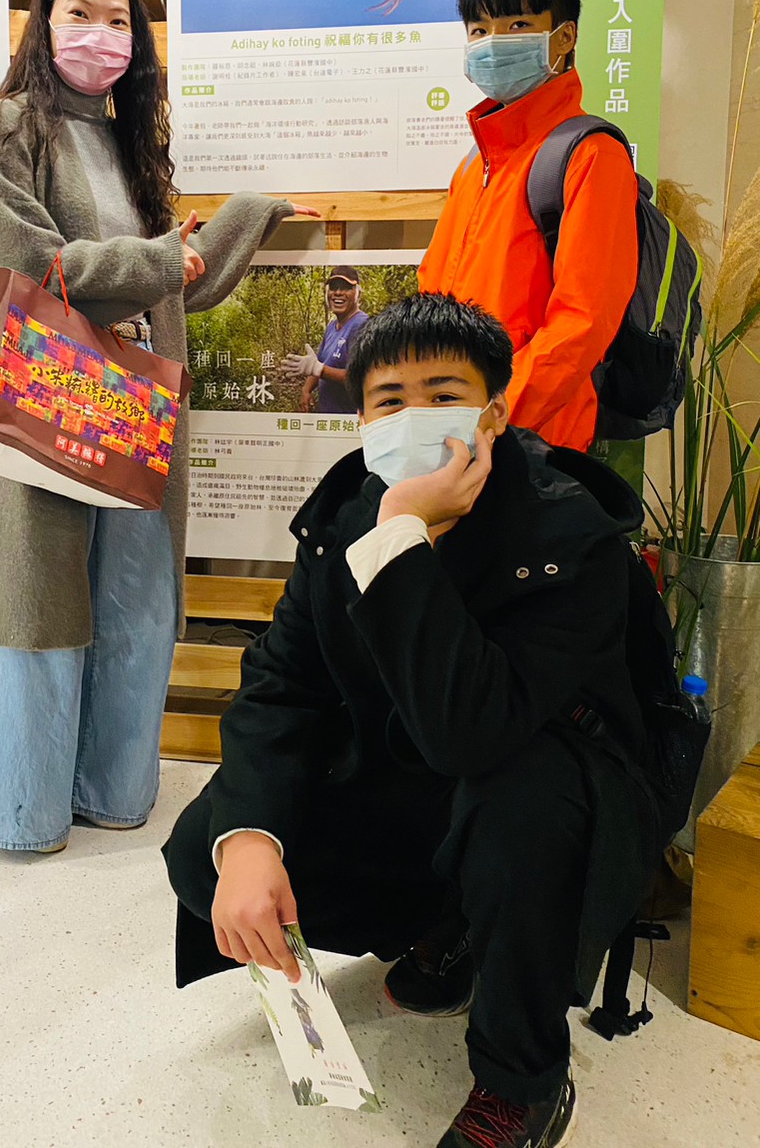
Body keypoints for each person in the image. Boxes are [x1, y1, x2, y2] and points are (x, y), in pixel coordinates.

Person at [163, 294, 659, 1148]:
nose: (415, 417)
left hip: (546, 792)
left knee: (514, 809)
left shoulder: (565, 530)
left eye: (443, 394)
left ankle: (522, 1081)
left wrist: (400, 536)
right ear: (361, 420)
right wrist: (247, 838)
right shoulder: (343, 516)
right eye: (389, 400)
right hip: (414, 773)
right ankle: (448, 924)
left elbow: (476, 731)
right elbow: (282, 683)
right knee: (206, 842)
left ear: (493, 412)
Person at [0, 0, 317, 854]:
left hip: (134, 408)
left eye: (118, 20)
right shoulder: (6, 125)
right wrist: (160, 255)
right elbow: (20, 261)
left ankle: (115, 792)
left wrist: (250, 213)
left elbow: (172, 285)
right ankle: (28, 814)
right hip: (45, 401)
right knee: (42, 606)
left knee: (137, 599)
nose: (100, 35)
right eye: (80, 14)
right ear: (43, 24)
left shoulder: (128, 145)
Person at [419, 0, 639, 453]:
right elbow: (432, 290)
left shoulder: (591, 154)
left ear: (564, 37)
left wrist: (491, 422)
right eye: (479, 30)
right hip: (456, 437)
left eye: (518, 24)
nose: (494, 43)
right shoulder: (475, 163)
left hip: (533, 443)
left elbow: (583, 322)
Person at [282, 267, 370, 414]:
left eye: (346, 288)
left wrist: (319, 369)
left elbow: (360, 377)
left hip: (349, 419)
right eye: (333, 287)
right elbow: (320, 361)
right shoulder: (332, 326)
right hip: (328, 418)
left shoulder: (361, 325)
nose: (338, 293)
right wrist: (306, 389)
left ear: (358, 293)